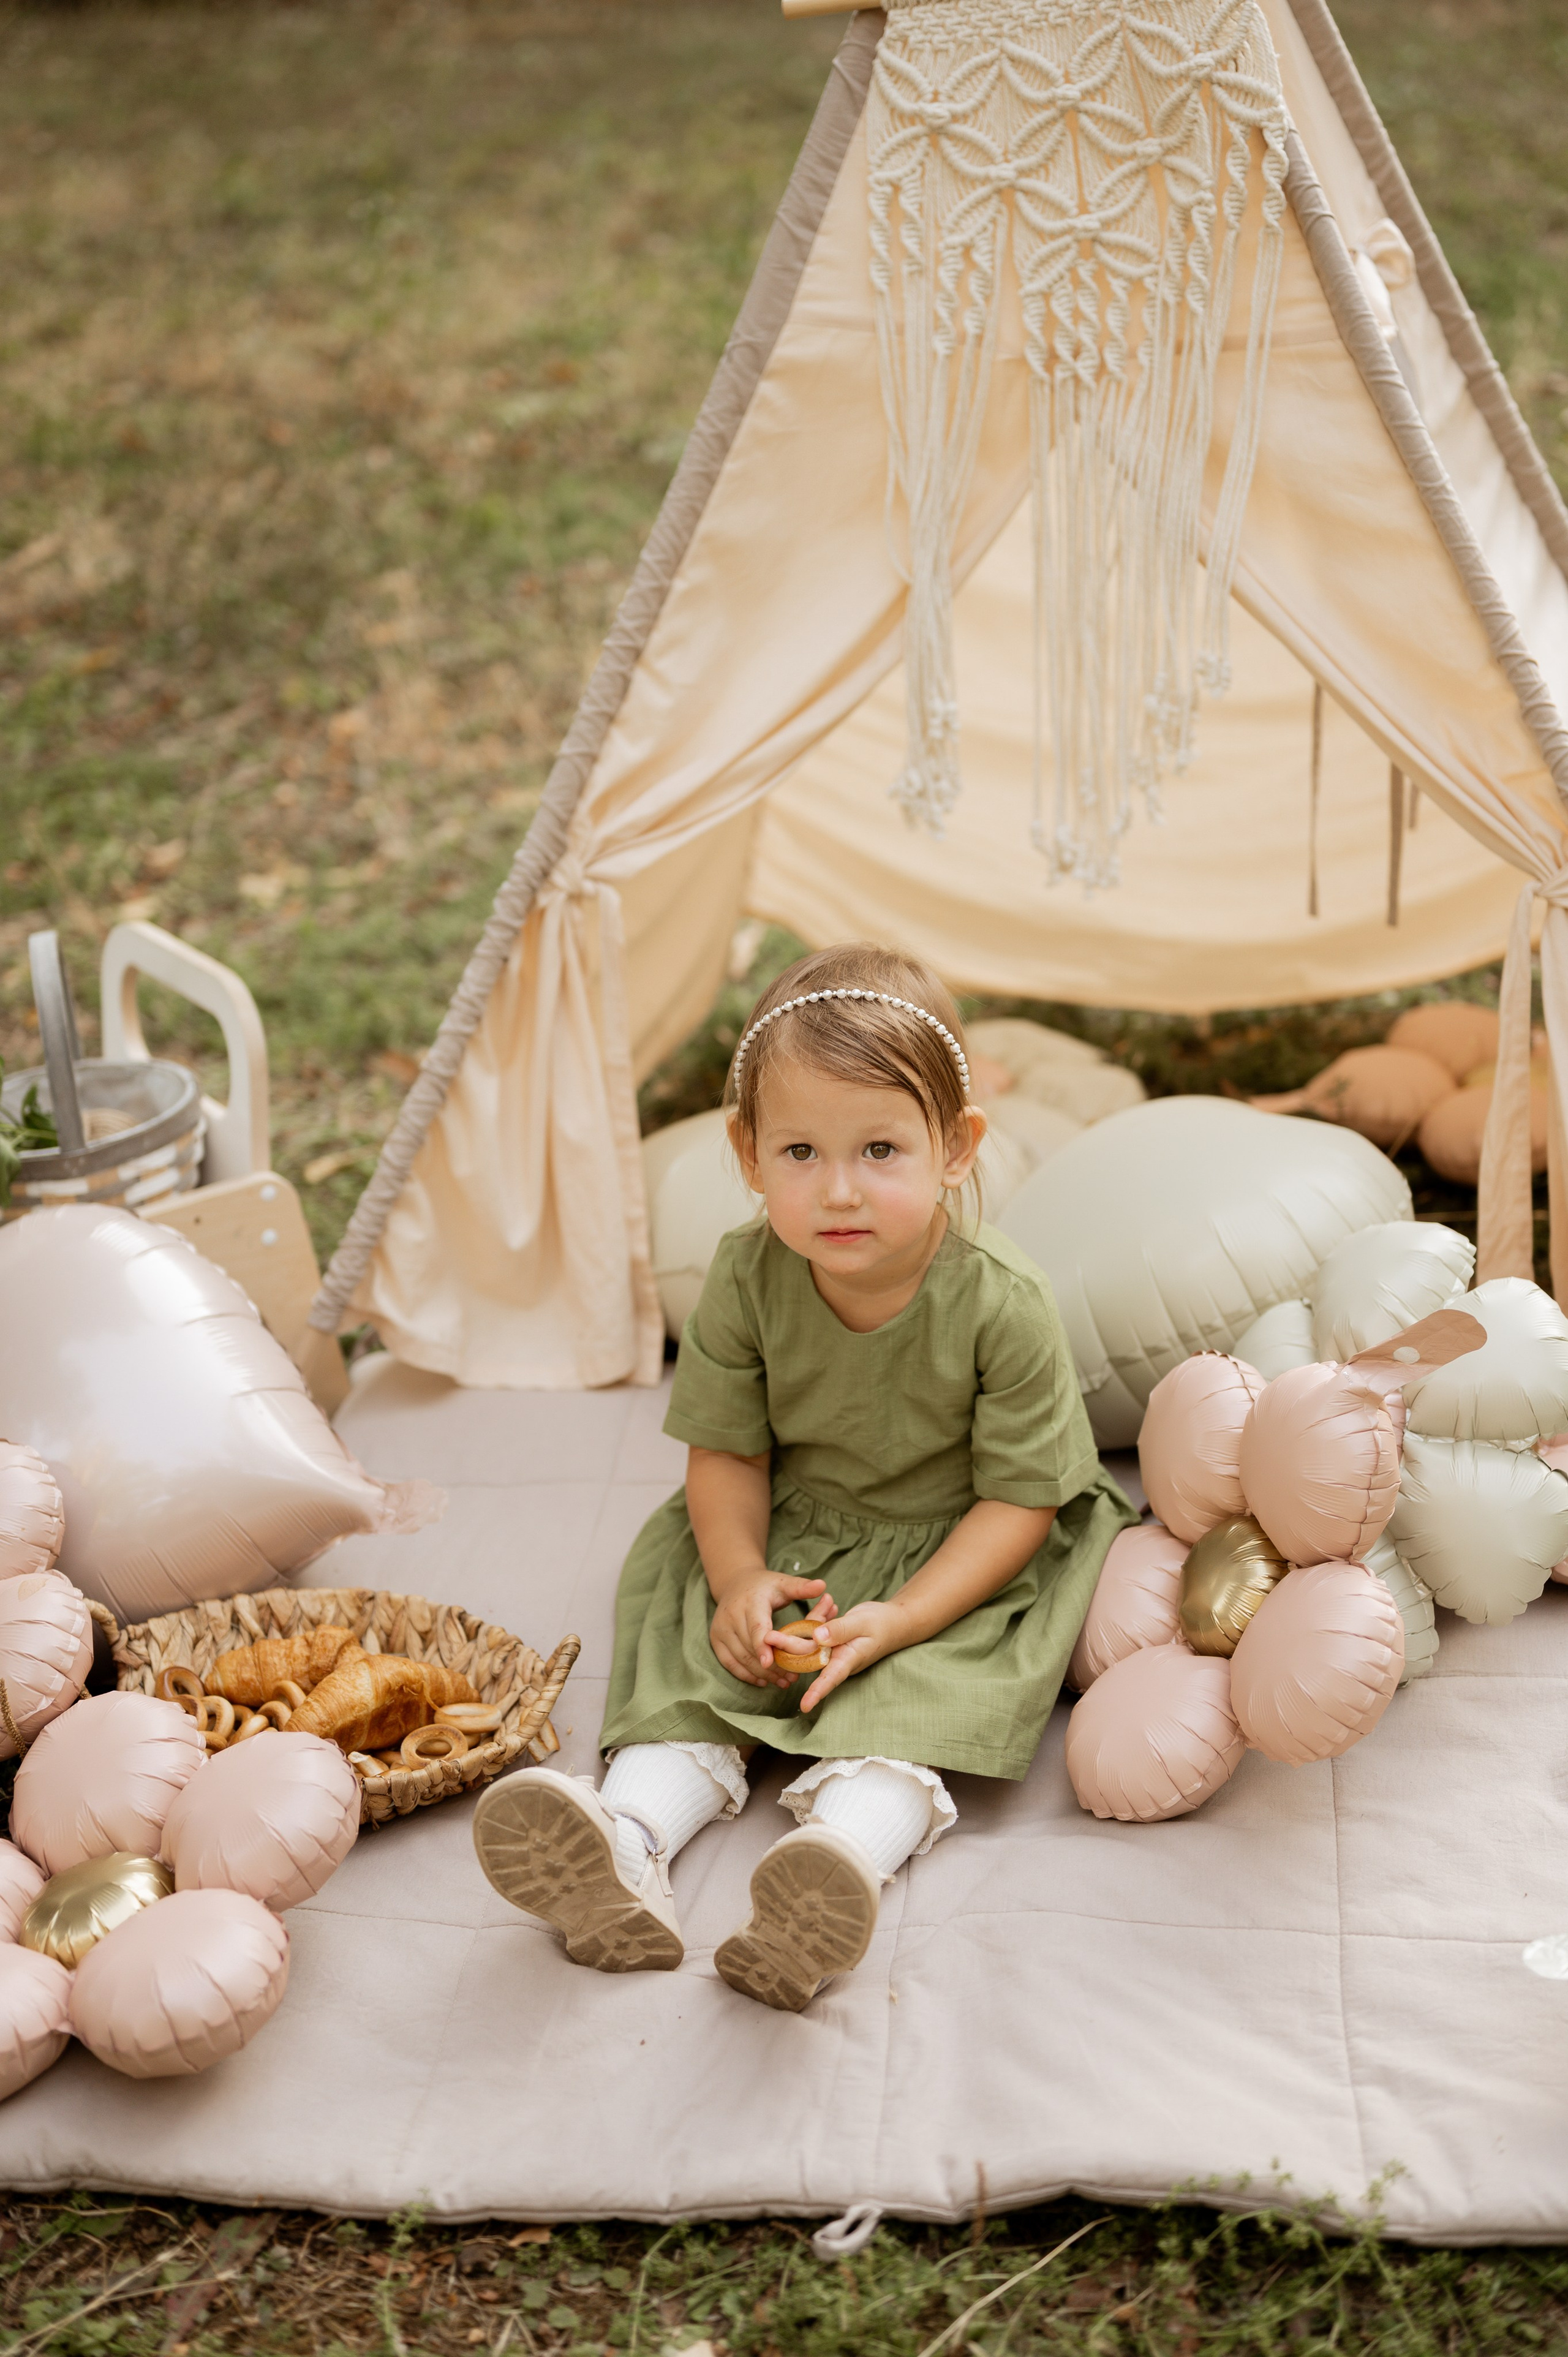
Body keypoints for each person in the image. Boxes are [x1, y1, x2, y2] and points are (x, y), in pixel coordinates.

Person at [472, 943, 1135, 2010]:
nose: (839, 1190)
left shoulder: (1002, 1304)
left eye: (881, 1149)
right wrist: (738, 1576)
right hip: (790, 1529)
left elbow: (1022, 1501)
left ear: (956, 1148)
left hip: (961, 1546)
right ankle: (629, 1844)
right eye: (799, 1152)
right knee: (695, 1654)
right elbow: (728, 1454)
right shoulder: (744, 1275)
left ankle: (835, 1865)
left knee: (933, 1685)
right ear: (749, 1154)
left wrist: (903, 1617)